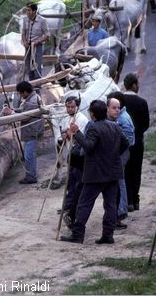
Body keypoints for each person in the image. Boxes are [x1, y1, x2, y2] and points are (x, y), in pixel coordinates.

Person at [60, 100, 129, 244]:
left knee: (84, 203)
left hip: (96, 173)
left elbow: (88, 146)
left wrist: (77, 132)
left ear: (92, 114)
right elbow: (126, 143)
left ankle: (78, 235)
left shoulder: (93, 127)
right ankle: (108, 235)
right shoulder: (114, 126)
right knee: (110, 205)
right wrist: (114, 156)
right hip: (112, 172)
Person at [3, 82, 44, 184]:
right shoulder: (31, 98)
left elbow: (25, 116)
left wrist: (11, 113)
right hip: (31, 131)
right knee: (30, 155)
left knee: (28, 155)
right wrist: (13, 110)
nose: (20, 96)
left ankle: (31, 177)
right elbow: (23, 111)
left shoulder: (33, 101)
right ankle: (31, 175)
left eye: (20, 93)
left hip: (32, 131)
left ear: (25, 92)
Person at [59, 96, 89, 228]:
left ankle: (72, 208)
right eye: (68, 106)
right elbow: (64, 131)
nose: (70, 109)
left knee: (76, 181)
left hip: (78, 155)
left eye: (72, 106)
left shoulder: (82, 119)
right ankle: (68, 205)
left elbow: (80, 137)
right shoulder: (67, 117)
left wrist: (69, 134)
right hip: (70, 152)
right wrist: (64, 134)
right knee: (70, 181)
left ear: (77, 106)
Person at [106, 95, 135, 229]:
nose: (117, 110)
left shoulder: (123, 119)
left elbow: (129, 140)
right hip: (117, 155)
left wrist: (116, 151)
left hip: (121, 155)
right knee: (118, 182)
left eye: (118, 107)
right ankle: (118, 211)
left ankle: (120, 211)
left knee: (119, 182)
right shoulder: (115, 119)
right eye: (114, 108)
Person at [122, 73, 150, 212]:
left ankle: (128, 200)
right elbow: (146, 124)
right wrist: (137, 133)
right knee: (136, 170)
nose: (138, 86)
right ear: (133, 85)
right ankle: (136, 199)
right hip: (138, 141)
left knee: (126, 170)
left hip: (123, 143)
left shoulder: (120, 101)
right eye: (137, 83)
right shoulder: (142, 102)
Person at [21, 2, 50, 81]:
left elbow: (47, 35)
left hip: (37, 47)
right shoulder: (25, 20)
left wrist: (37, 41)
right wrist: (24, 42)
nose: (27, 12)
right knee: (28, 66)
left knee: (37, 65)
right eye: (26, 10)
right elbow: (23, 33)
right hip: (28, 46)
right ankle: (31, 83)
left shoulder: (42, 21)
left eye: (29, 10)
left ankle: (37, 86)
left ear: (34, 11)